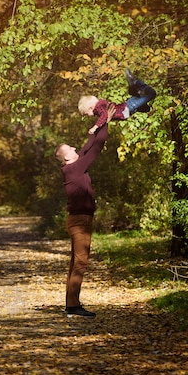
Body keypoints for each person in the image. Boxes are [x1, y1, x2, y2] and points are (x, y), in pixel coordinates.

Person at [54, 105, 118, 318]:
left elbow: (89, 145)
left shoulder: (74, 164)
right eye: (70, 149)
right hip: (80, 221)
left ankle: (71, 304)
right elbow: (97, 149)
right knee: (80, 262)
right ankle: (73, 307)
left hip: (80, 220)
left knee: (76, 261)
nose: (75, 148)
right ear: (67, 158)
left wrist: (97, 126)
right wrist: (105, 123)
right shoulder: (73, 168)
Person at [78, 69, 157, 134]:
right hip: (128, 106)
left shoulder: (98, 108)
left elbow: (104, 116)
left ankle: (136, 82)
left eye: (86, 113)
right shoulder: (100, 107)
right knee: (146, 108)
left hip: (128, 108)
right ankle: (134, 92)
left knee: (152, 93)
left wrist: (95, 127)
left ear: (91, 107)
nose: (87, 115)